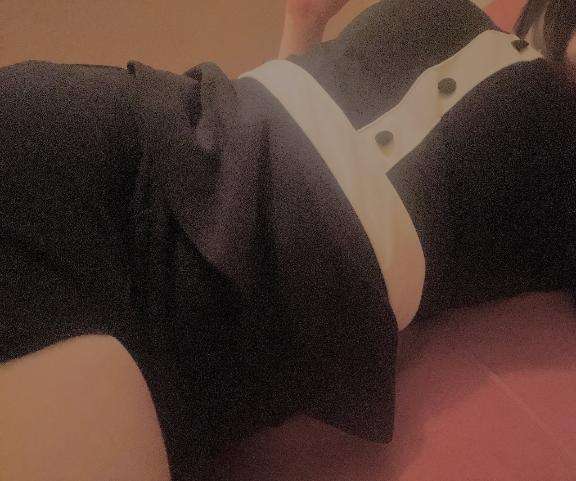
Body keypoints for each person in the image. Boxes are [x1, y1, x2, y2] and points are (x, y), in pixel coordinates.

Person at [2, 1, 576, 480]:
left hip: (232, 300)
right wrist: (304, 23)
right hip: (121, 130)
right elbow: (278, 104)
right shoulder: (456, 9)